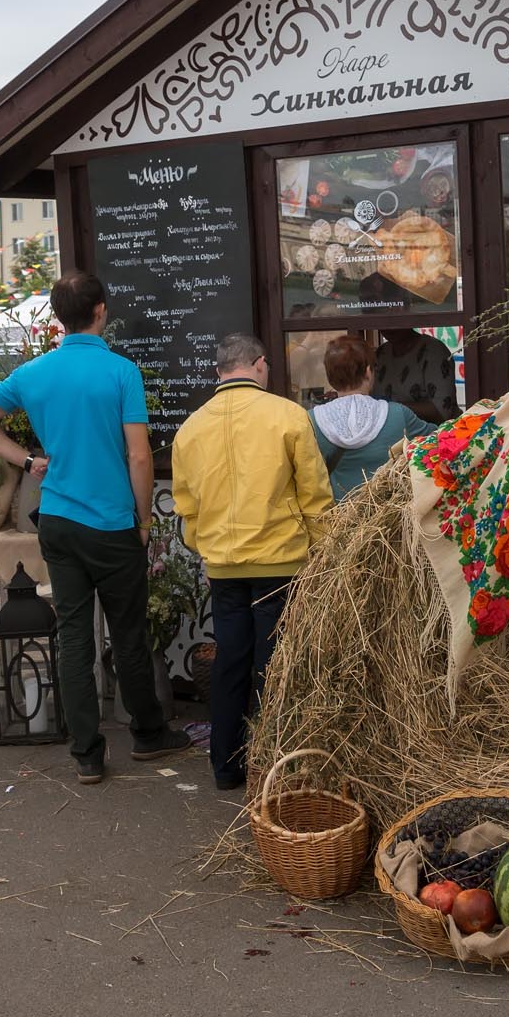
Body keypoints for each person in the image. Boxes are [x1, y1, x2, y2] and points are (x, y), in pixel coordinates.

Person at [0, 273, 192, 785]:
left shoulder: (34, 372)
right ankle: (149, 737)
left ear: (58, 316)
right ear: (101, 311)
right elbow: (137, 454)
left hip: (59, 520)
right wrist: (146, 519)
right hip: (111, 522)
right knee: (128, 634)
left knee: (72, 636)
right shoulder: (121, 372)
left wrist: (26, 461)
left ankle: (87, 753)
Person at [172, 334, 331, 792]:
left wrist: (205, 548)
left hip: (223, 566)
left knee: (229, 663)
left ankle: (225, 766)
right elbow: (315, 497)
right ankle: (274, 764)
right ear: (260, 365)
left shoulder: (191, 428)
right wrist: (320, 552)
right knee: (275, 665)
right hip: (280, 561)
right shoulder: (288, 416)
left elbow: (187, 506)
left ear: (220, 371)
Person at [310, 335, 434, 501]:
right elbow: (439, 440)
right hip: (390, 522)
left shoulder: (311, 421)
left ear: (329, 377)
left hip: (334, 523)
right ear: (368, 372)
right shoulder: (398, 415)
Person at [374, 325, 457, 423]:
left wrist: (390, 408)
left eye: (394, 320)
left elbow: (442, 411)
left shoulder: (433, 350)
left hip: (434, 434)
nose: (389, 326)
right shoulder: (381, 353)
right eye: (383, 321)